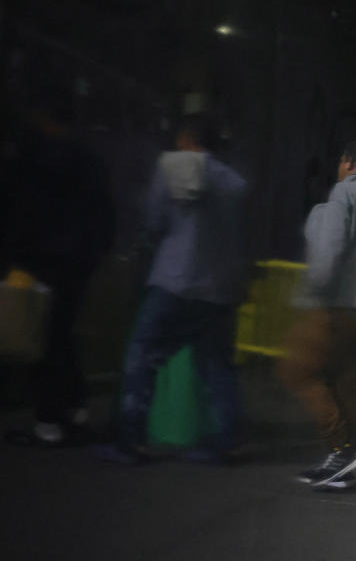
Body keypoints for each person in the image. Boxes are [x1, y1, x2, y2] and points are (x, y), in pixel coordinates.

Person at [94, 114, 247, 464]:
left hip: (175, 280)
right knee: (217, 366)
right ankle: (227, 442)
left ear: (188, 138)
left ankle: (131, 440)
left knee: (142, 354)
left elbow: (154, 221)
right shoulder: (233, 183)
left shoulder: (169, 168)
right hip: (219, 287)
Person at [279, 138, 356, 489]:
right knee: (346, 380)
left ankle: (340, 448)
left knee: (297, 371)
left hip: (341, 305)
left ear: (349, 162)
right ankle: (346, 462)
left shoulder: (345, 194)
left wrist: (310, 293)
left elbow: (327, 255)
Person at [1, 94, 114, 448]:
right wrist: (96, 254)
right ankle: (75, 405)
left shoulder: (27, 160)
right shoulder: (90, 162)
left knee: (37, 338)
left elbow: (15, 210)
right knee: (61, 332)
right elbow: (104, 215)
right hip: (78, 262)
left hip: (34, 260)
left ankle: (49, 420)